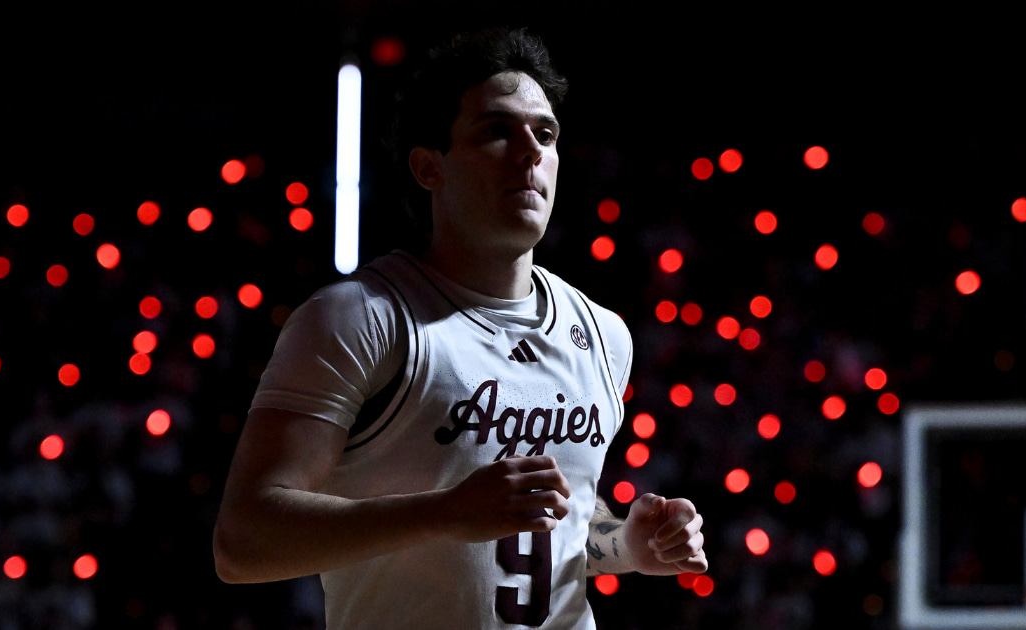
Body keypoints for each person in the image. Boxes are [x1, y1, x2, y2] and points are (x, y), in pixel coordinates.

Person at [213, 27, 707, 628]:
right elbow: (242, 543)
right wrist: (443, 514)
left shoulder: (604, 333)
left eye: (544, 134)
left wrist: (626, 545)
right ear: (429, 167)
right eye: (496, 130)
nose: (529, 150)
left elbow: (564, 518)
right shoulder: (360, 316)